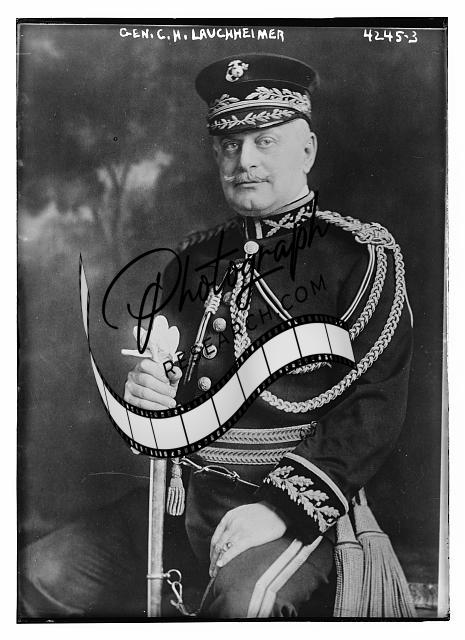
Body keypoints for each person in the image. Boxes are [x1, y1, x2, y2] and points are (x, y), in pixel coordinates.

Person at [20, 53, 413, 619]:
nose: (244, 160)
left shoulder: (360, 256)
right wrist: (149, 400)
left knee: (241, 605)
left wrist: (279, 509)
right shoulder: (193, 257)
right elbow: (169, 391)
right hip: (184, 499)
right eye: (229, 144)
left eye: (265, 141)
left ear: (307, 151)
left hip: (292, 506)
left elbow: (374, 407)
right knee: (37, 576)